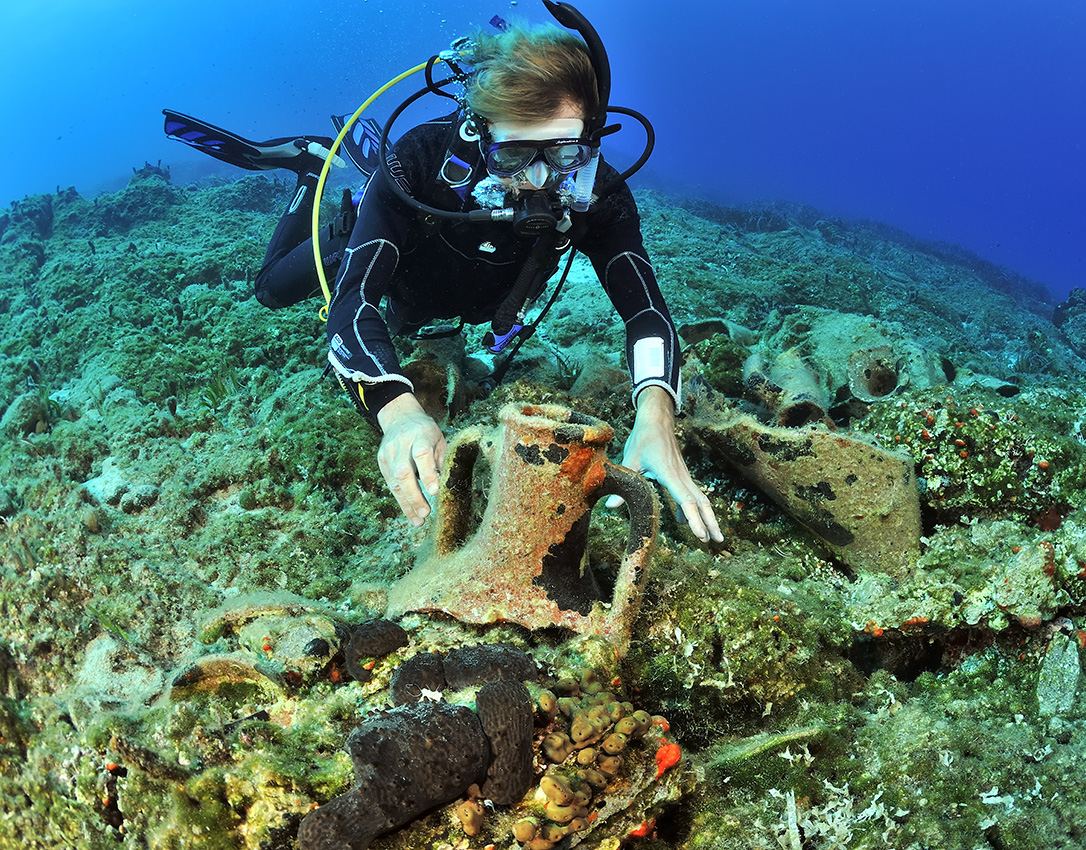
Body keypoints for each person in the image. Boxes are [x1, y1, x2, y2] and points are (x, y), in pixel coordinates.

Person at [164, 11, 723, 544]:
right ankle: (315, 165)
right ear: (481, 135)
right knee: (271, 291)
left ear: (591, 137)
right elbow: (354, 302)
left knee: (441, 327)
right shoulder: (420, 162)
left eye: (562, 152)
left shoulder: (597, 194)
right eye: (512, 155)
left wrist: (656, 412)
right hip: (403, 263)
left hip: (468, 299)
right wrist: (396, 408)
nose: (536, 180)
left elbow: (646, 310)